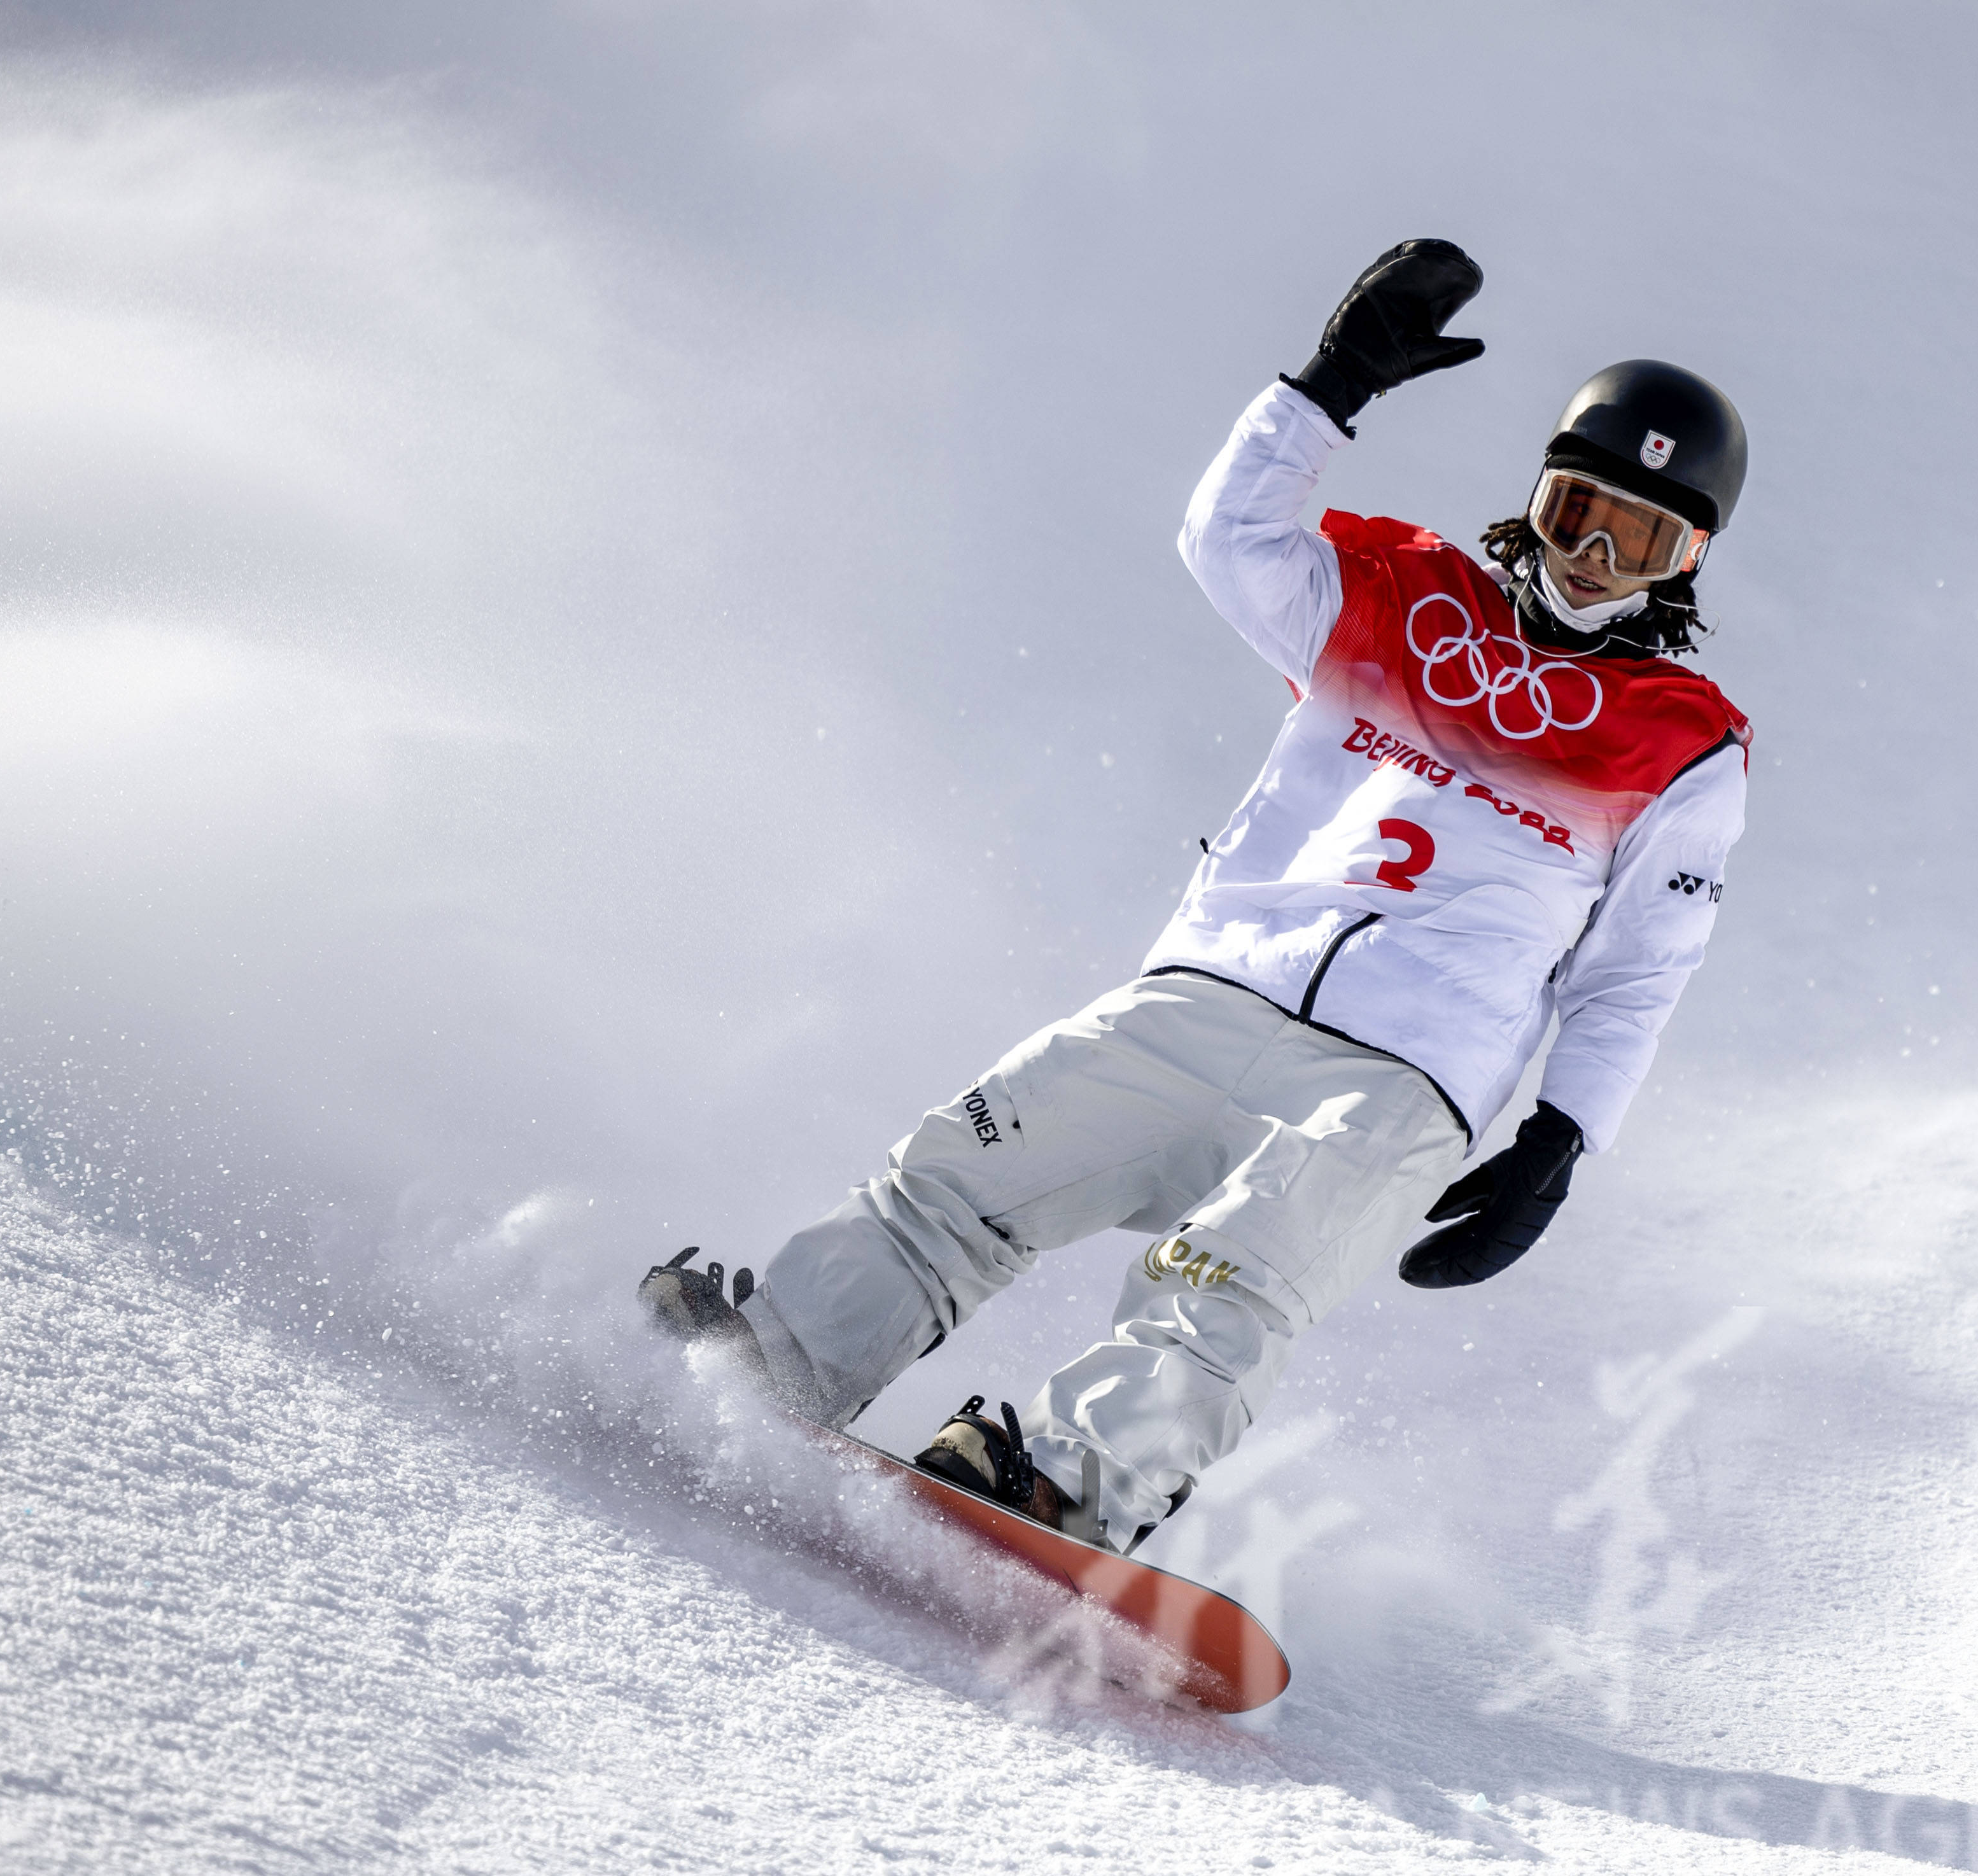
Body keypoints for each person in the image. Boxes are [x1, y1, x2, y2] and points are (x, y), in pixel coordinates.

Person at [640, 239, 1753, 1556]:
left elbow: (1637, 969)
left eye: (1637, 543)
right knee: (963, 1171)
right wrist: (1325, 390)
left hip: (1403, 1073)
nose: (1588, 561)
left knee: (1228, 1284)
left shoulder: (1685, 740)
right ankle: (785, 1358)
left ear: (1683, 563)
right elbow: (1226, 540)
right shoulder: (1402, 588)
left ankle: (1064, 1480)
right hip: (1213, 988)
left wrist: (1560, 1141)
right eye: (1577, 514)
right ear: (1537, 496)